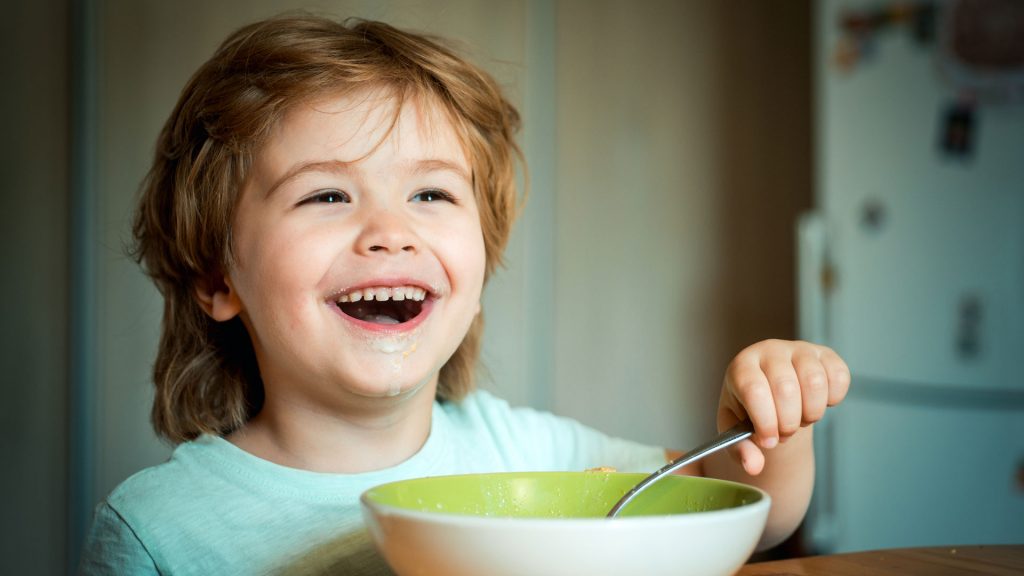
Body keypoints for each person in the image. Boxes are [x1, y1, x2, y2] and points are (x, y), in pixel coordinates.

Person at [79, 14, 850, 575]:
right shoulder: (158, 532)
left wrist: (770, 429)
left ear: (477, 274)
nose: (390, 232)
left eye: (431, 196)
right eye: (325, 197)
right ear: (218, 279)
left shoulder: (532, 459)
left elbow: (751, 516)